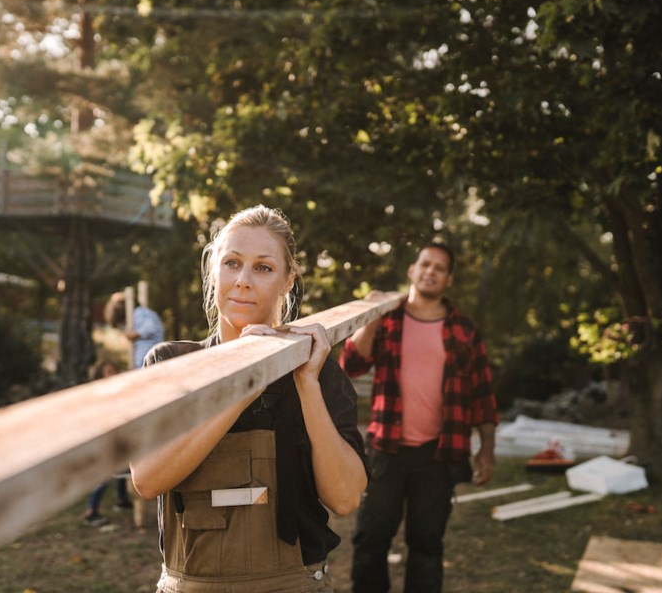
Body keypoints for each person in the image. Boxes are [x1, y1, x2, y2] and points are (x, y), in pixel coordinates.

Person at [129, 205, 368, 592]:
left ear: (288, 281)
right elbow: (147, 479)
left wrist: (306, 384)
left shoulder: (318, 370)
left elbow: (344, 498)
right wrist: (243, 390)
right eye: (232, 263)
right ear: (213, 272)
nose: (242, 280)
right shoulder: (171, 364)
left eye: (263, 268)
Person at [341, 242, 499, 593]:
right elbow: (351, 365)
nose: (431, 271)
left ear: (449, 280)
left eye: (440, 268)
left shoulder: (465, 330)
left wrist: (486, 450)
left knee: (426, 546)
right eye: (425, 264)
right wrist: (372, 315)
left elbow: (483, 398)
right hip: (386, 451)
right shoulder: (388, 319)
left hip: (438, 455)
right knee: (370, 541)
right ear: (412, 270)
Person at [83, 360, 133, 525]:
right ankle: (91, 511)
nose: (115, 374)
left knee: (123, 466)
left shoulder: (117, 392)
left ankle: (121, 499)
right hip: (104, 440)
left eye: (115, 370)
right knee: (105, 474)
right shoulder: (100, 395)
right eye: (110, 371)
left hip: (117, 437)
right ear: (100, 377)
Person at [104, 288, 165, 369]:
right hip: (144, 362)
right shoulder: (135, 315)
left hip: (150, 360)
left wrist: (135, 334)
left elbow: (152, 327)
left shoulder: (139, 313)